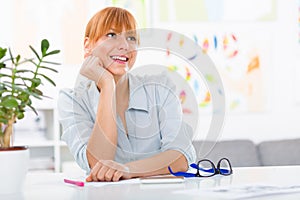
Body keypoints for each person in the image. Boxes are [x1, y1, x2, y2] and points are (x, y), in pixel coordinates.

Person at [58, 6, 196, 182]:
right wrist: (107, 86)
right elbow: (99, 163)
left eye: (131, 38)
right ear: (88, 45)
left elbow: (179, 159)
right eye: (111, 35)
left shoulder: (160, 89)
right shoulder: (72, 101)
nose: (124, 45)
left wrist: (127, 170)